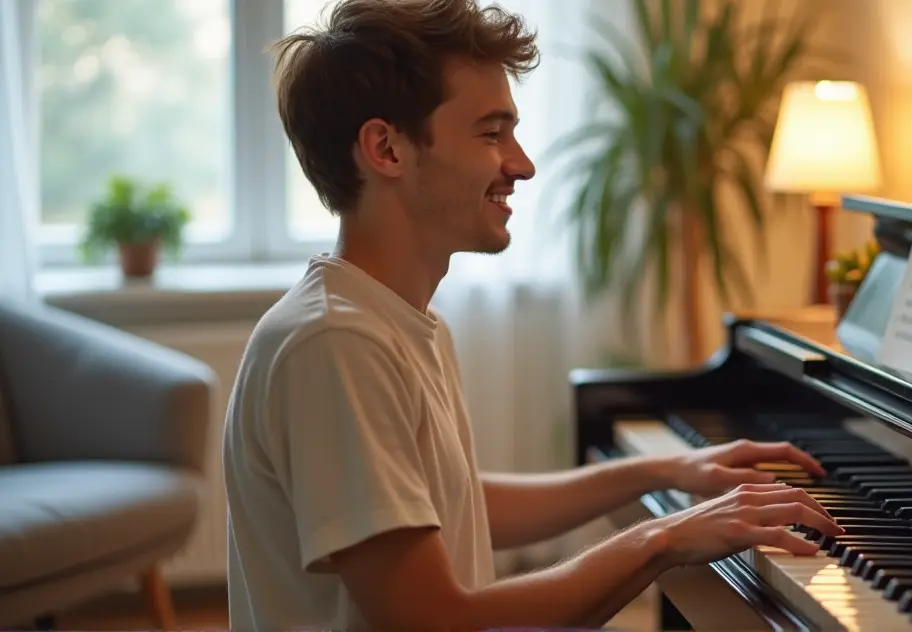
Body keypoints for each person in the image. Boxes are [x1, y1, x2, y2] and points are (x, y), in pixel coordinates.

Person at [221, 0, 842, 630]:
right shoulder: (337, 341)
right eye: (491, 133)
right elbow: (435, 618)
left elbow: (458, 506)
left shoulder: (390, 319)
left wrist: (664, 470)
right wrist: (662, 539)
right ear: (386, 148)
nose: (522, 164)